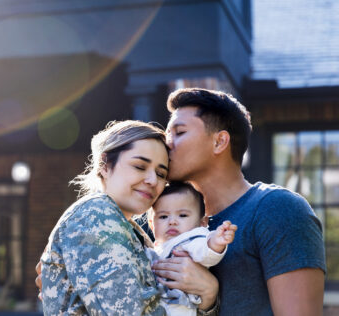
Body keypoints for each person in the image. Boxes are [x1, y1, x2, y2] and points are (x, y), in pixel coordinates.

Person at [151, 88, 326, 316]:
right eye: (167, 135)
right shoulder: (161, 221)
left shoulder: (278, 210)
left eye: (179, 132)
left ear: (219, 142)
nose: (167, 144)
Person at [40, 120, 169, 315]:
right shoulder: (95, 214)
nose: (152, 180)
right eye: (140, 166)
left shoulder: (130, 228)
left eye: (161, 174)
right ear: (104, 165)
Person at [144, 181, 237, 316]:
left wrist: (216, 242)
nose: (172, 221)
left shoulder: (191, 239)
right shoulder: (156, 248)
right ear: (152, 225)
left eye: (182, 215)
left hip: (179, 307)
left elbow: (204, 252)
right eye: (163, 216)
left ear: (202, 222)